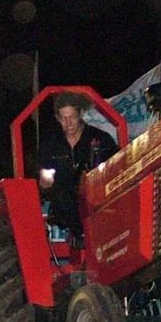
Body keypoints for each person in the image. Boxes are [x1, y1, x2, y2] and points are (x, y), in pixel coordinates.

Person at [37, 91, 118, 244]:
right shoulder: (50, 144)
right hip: (65, 203)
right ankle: (82, 235)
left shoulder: (101, 139)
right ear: (57, 118)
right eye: (64, 118)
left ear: (80, 114)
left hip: (98, 197)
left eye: (72, 117)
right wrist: (43, 183)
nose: (69, 123)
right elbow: (40, 175)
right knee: (62, 195)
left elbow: (117, 164)